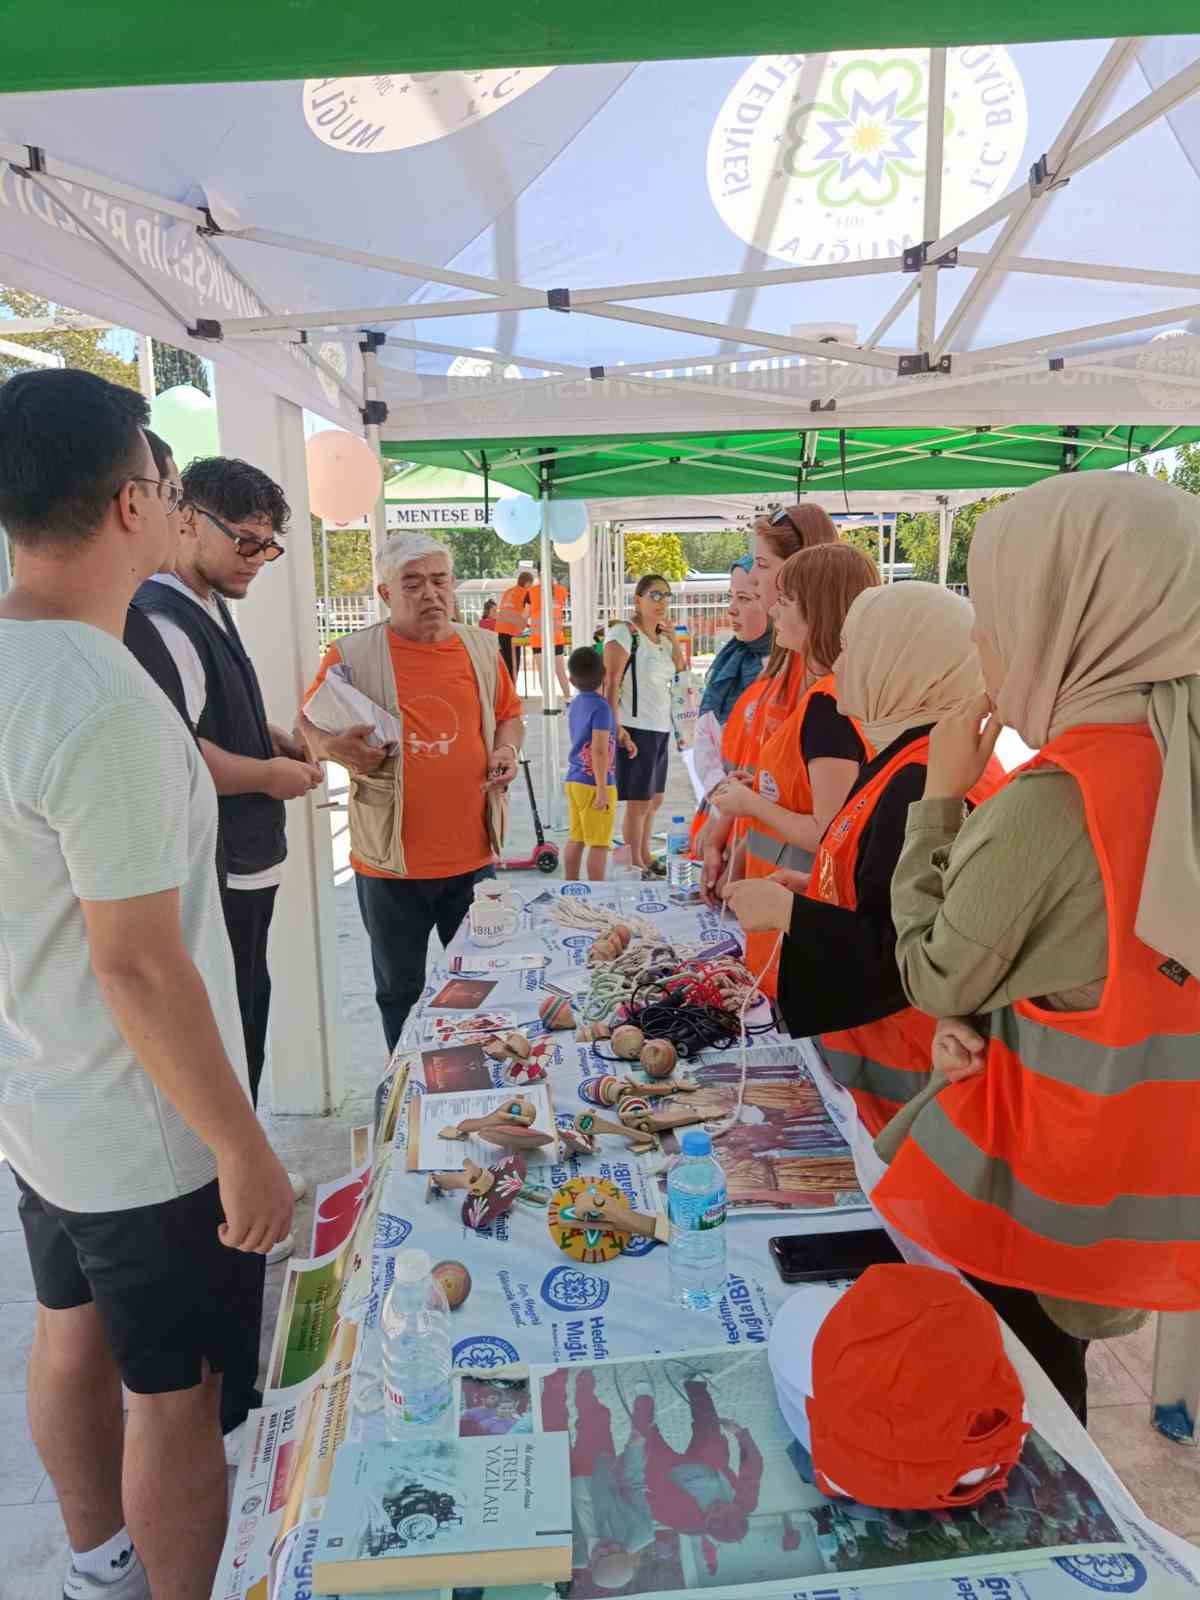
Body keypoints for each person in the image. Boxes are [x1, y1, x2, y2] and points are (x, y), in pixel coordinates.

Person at [0, 368, 293, 1600]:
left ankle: (93, 1567)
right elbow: (136, 956)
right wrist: (240, 1143)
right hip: (141, 1126)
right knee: (179, 1393)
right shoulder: (98, 699)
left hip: (45, 1098)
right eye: (171, 491)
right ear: (134, 501)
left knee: (68, 1329)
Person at [871, 473, 1200, 1421]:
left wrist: (937, 800)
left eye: (1000, 609)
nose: (985, 641)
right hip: (1154, 1191)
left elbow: (936, 972)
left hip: (1051, 1194)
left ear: (1069, 612)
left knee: (1028, 1407)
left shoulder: (1057, 799)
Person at [725, 583, 1005, 1136]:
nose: (841, 666)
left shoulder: (928, 780)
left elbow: (903, 958)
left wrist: (789, 913)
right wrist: (813, 887)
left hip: (904, 1080)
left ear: (899, 662)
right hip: (876, 1069)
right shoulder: (907, 755)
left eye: (855, 648)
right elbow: (888, 891)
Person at [299, 532, 524, 1051]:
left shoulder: (483, 648)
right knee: (399, 990)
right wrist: (337, 748)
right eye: (413, 583)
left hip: (472, 859)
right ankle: (407, 1093)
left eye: (440, 581)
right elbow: (307, 728)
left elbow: (510, 717)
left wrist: (506, 752)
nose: (431, 594)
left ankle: (471, 1078)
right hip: (390, 865)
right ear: (385, 593)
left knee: (477, 985)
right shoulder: (351, 655)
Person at [709, 545, 877, 994]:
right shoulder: (829, 694)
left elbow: (833, 832)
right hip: (789, 918)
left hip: (801, 925)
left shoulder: (830, 704)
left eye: (786, 600)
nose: (773, 608)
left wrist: (752, 805)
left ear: (817, 611)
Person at [700, 505, 838, 902]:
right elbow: (776, 778)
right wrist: (734, 833)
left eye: (762, 565)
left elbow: (827, 823)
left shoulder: (827, 693)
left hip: (798, 893)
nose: (755, 579)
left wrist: (747, 811)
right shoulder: (786, 660)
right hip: (771, 879)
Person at [603, 574, 687, 877]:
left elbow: (680, 671)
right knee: (638, 802)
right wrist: (615, 727)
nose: (661, 601)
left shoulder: (663, 640)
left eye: (666, 595)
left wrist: (675, 639)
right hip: (635, 727)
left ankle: (645, 854)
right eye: (654, 595)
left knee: (655, 799)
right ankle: (636, 862)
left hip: (660, 728)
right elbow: (610, 682)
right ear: (637, 599)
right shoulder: (624, 633)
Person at [629, 1375, 763, 1543]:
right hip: (708, 1463)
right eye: (724, 1505)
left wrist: (633, 1466)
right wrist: (740, 1435)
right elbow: (753, 1467)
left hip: (667, 1474)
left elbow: (644, 1503)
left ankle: (644, 1398)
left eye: (714, 1509)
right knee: (709, 1429)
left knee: (644, 1439)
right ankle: (695, 1384)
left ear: (707, 1522)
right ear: (736, 1508)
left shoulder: (684, 1523)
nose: (716, 1503)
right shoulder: (746, 1502)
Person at [563, 645, 618, 882]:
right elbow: (598, 750)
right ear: (604, 674)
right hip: (594, 783)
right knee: (598, 843)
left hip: (574, 780)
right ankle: (598, 892)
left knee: (576, 837)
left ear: (571, 680)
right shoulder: (601, 707)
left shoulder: (575, 704)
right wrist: (602, 789)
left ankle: (570, 883)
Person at [698, 555, 772, 726]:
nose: (731, 609)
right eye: (730, 597)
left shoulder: (792, 667)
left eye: (744, 598)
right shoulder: (732, 657)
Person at [529, 573, 571, 701]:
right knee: (560, 671)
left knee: (544, 672)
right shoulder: (561, 591)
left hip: (539, 639)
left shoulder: (531, 592)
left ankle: (548, 702)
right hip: (556, 638)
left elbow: (525, 614)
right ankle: (568, 699)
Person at [494, 568, 533, 679]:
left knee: (504, 663)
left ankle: (505, 689)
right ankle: (512, 691)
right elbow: (527, 612)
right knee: (513, 663)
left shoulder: (508, 591)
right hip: (512, 631)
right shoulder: (526, 593)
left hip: (500, 630)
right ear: (527, 583)